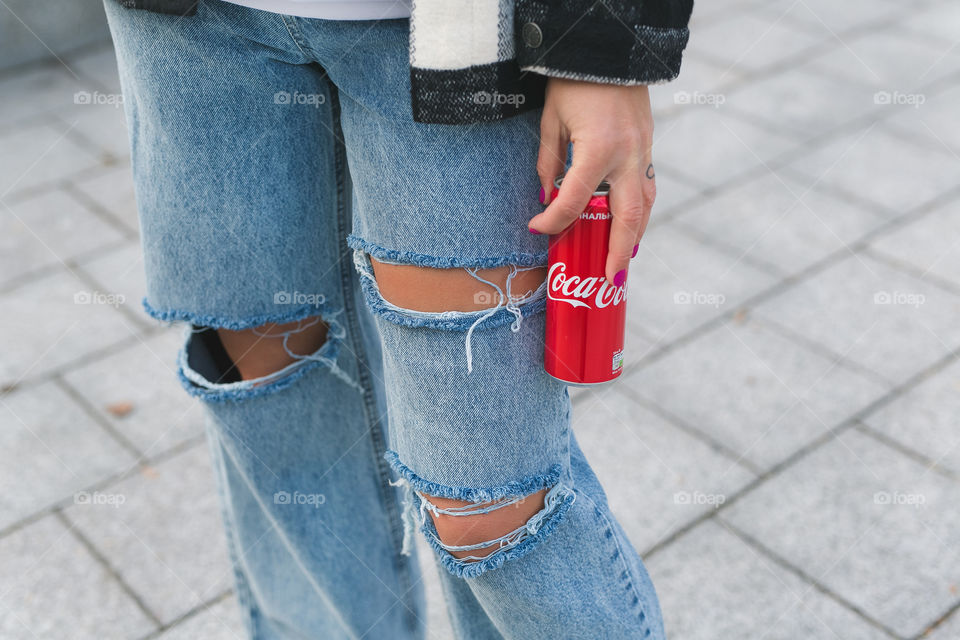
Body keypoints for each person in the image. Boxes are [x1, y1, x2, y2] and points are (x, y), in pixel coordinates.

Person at [102, 0, 693, 637]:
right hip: (189, 28)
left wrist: (606, 51)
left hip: (459, 34)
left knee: (487, 500)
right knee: (269, 402)